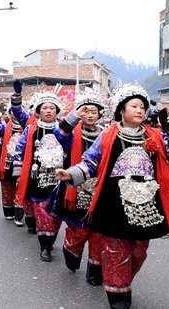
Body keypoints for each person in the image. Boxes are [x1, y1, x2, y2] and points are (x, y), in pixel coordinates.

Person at [55, 82, 169, 309]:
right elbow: (91, 162)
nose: (139, 110)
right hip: (113, 204)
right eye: (134, 106)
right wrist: (70, 174)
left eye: (142, 107)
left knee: (138, 252)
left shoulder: (154, 135)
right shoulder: (107, 136)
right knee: (116, 252)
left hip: (145, 205)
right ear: (121, 111)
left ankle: (122, 281)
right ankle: (119, 296)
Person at [10, 81, 86, 262]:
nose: (49, 111)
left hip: (60, 177)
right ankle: (45, 246)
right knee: (42, 213)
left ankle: (50, 237)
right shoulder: (31, 128)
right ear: (39, 110)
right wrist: (19, 174)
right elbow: (20, 149)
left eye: (52, 108)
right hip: (38, 177)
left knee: (56, 214)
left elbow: (69, 146)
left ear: (57, 111)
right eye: (45, 108)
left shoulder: (66, 130)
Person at [47, 92, 105, 284]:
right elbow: (59, 134)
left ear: (100, 115)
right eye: (86, 111)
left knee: (98, 233)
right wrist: (74, 116)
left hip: (99, 188)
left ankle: (95, 272)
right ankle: (71, 250)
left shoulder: (106, 134)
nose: (90, 115)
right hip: (74, 186)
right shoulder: (72, 133)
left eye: (94, 112)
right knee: (78, 230)